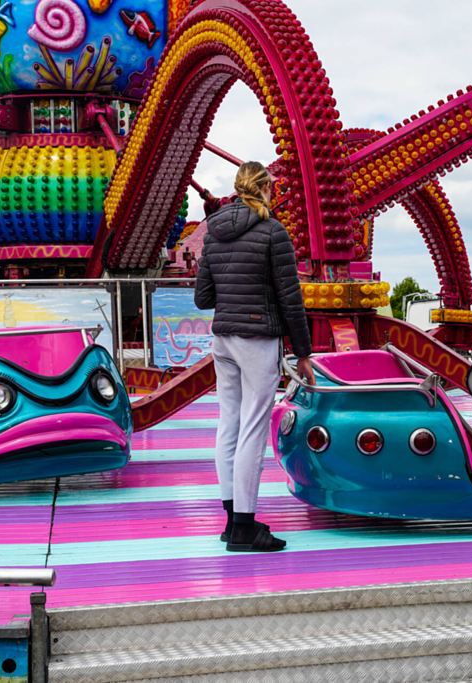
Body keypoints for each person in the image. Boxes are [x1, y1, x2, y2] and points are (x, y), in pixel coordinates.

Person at [195, 160, 316, 552]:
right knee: (253, 429)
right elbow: (290, 299)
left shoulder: (213, 232)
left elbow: (203, 298)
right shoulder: (272, 231)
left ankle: (233, 521)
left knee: (228, 424)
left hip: (223, 341)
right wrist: (303, 354)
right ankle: (246, 529)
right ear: (265, 189)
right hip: (257, 340)